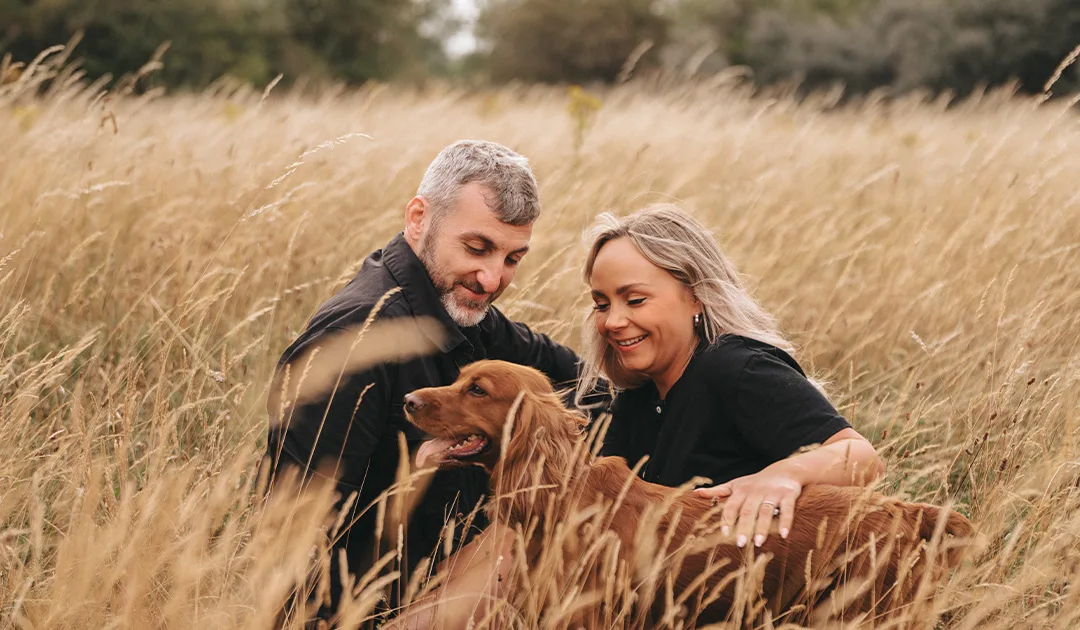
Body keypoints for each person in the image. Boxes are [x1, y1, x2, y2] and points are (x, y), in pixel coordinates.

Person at [265, 140, 586, 621]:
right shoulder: (356, 339)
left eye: (513, 259)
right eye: (477, 248)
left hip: (447, 578)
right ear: (419, 218)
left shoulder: (463, 313)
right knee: (517, 538)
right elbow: (294, 534)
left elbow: (580, 377)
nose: (492, 278)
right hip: (370, 610)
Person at [582, 204, 885, 550]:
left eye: (635, 300)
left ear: (696, 296)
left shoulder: (734, 368)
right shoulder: (635, 396)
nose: (613, 322)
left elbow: (862, 457)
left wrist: (782, 475)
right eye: (601, 304)